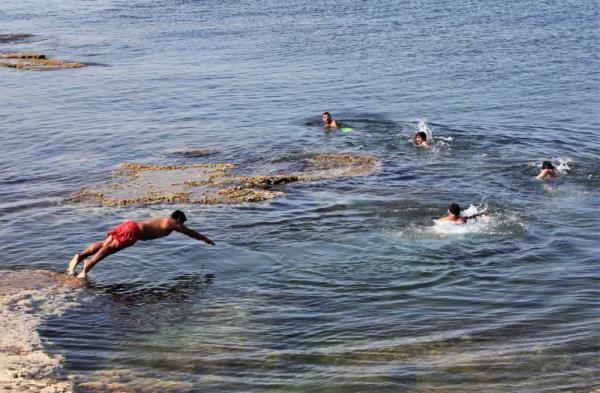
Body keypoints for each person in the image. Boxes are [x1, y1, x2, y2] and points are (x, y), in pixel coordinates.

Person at [67, 210, 215, 278]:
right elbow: (190, 232)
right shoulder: (172, 223)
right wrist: (205, 239)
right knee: (110, 249)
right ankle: (89, 264)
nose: (181, 226)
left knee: (104, 243)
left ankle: (80, 257)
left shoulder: (163, 220)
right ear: (179, 219)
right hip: (134, 231)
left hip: (129, 224)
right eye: (182, 223)